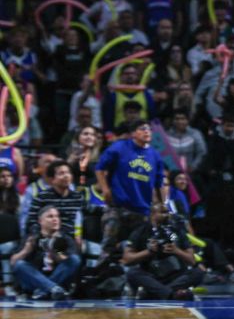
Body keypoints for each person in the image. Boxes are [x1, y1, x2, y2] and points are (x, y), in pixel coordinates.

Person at [95, 121, 166, 259]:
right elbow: (99, 168)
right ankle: (101, 267)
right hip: (118, 205)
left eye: (149, 129)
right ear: (133, 133)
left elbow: (159, 184)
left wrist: (163, 204)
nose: (147, 131)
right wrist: (105, 189)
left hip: (142, 209)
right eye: (142, 128)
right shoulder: (120, 147)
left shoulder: (155, 155)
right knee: (108, 245)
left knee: (140, 248)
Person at [122, 201, 203, 300]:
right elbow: (126, 259)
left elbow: (192, 260)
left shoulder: (176, 231)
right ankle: (171, 294)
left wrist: (176, 251)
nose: (167, 215)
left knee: (198, 272)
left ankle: (155, 293)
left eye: (167, 212)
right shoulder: (141, 231)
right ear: (153, 214)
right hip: (151, 277)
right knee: (132, 273)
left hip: (175, 276)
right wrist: (148, 252)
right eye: (163, 212)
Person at [10, 206, 80, 300]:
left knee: (75, 259)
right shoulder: (32, 237)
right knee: (20, 265)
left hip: (58, 278)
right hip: (34, 281)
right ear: (40, 221)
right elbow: (13, 262)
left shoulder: (64, 239)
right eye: (50, 216)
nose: (55, 219)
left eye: (57, 216)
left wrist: (56, 251)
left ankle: (44, 290)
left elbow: (68, 261)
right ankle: (52, 288)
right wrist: (26, 251)